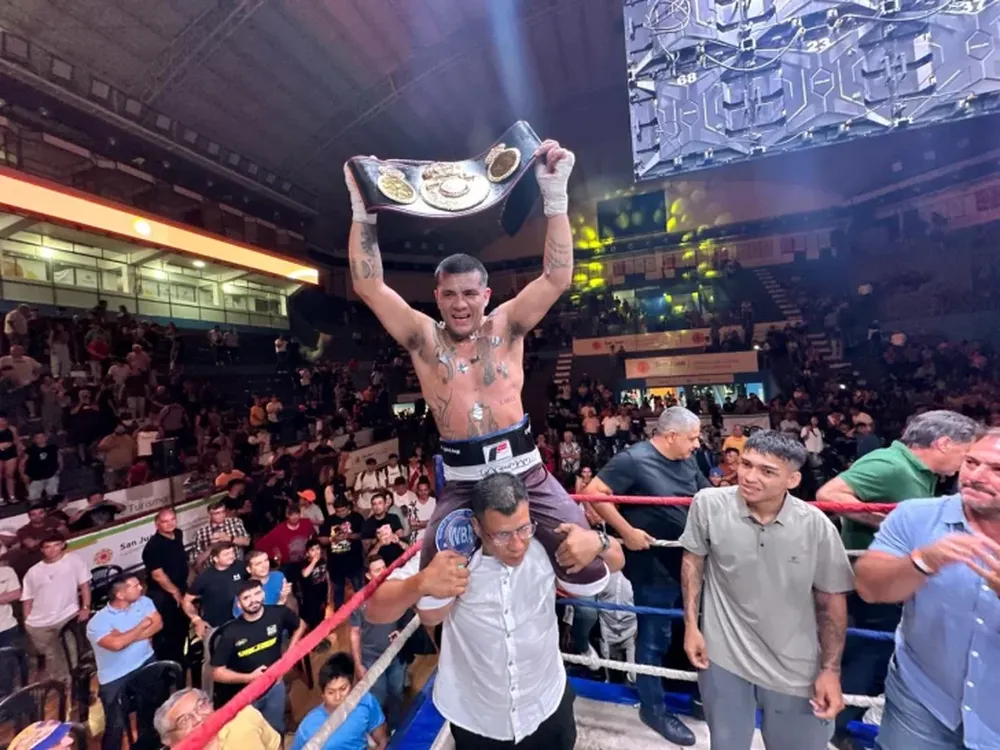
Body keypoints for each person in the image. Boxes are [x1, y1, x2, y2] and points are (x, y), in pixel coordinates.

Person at [345, 140, 608, 595]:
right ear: (437, 296)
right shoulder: (424, 339)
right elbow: (370, 285)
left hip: (525, 469)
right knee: (436, 592)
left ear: (486, 296)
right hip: (463, 482)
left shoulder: (507, 326)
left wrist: (555, 196)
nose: (460, 304)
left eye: (470, 294)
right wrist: (362, 208)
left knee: (585, 574)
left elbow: (557, 278)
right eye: (450, 294)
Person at [417, 473, 623, 749]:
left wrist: (600, 541)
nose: (516, 544)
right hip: (477, 715)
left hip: (546, 702)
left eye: (524, 528)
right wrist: (418, 584)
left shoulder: (544, 545)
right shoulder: (455, 562)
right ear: (477, 527)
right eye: (502, 534)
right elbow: (423, 614)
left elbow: (617, 561)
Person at [679, 431, 855, 750]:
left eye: (767, 471)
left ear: (792, 479)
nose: (749, 476)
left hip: (795, 663)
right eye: (746, 464)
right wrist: (692, 625)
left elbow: (831, 601)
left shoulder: (817, 526)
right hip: (724, 656)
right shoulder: (707, 504)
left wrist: (830, 670)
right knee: (726, 744)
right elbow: (693, 561)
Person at [816, 410, 980, 738]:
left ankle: (846, 723)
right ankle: (835, 727)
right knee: (874, 652)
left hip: (901, 579)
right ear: (945, 443)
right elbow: (830, 496)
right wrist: (897, 524)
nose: (967, 465)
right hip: (876, 579)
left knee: (887, 652)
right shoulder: (891, 463)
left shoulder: (920, 473)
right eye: (968, 455)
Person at [853, 429, 1000, 750]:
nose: (976, 476)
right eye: (971, 462)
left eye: (996, 470)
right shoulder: (917, 516)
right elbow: (868, 587)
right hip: (923, 700)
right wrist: (920, 562)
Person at [584, 406, 710, 745]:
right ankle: (653, 709)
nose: (697, 444)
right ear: (669, 436)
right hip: (653, 565)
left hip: (689, 559)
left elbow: (706, 494)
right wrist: (626, 531)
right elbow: (595, 493)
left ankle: (697, 698)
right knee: (654, 637)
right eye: (692, 437)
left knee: (698, 628)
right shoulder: (633, 459)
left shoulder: (686, 459)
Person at [211, 579, 306, 732]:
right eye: (246, 597)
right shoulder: (230, 633)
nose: (253, 600)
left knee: (276, 732)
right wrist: (249, 678)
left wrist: (289, 655)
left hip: (274, 686)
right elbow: (217, 673)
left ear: (263, 594)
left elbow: (300, 625)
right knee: (252, 736)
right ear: (239, 604)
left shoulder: (278, 613)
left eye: (256, 593)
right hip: (245, 695)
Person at [86, 575, 162, 750]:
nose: (141, 588)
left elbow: (158, 624)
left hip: (146, 662)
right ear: (120, 594)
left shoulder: (144, 602)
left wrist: (125, 637)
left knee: (150, 711)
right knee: (115, 724)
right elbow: (116, 645)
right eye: (135, 586)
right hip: (115, 676)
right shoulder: (97, 622)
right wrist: (141, 626)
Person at [20, 533, 91, 682]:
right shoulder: (33, 572)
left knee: (73, 654)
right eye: (47, 546)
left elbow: (84, 586)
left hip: (68, 617)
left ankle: (79, 689)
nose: (52, 549)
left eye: (56, 545)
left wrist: (86, 606)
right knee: (54, 660)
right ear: (42, 550)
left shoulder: (74, 560)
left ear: (63, 545)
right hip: (39, 624)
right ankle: (65, 691)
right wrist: (27, 621)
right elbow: (27, 599)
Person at [182, 542, 246, 696]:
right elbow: (186, 601)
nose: (231, 556)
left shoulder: (240, 567)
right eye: (226, 554)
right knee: (211, 663)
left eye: (232, 553)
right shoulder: (205, 577)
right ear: (215, 559)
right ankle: (207, 698)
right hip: (215, 626)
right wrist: (196, 619)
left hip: (239, 622)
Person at [350, 557, 407, 728]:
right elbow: (354, 633)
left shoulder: (395, 589)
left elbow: (408, 611)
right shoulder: (359, 600)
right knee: (378, 697)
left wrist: (402, 631)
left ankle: (396, 727)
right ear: (368, 575)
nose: (383, 572)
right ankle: (380, 731)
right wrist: (358, 664)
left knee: (397, 692)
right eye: (377, 570)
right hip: (371, 658)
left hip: (395, 653)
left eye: (384, 567)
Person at [291, 652, 389, 750]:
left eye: (343, 689)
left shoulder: (365, 701)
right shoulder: (307, 727)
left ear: (351, 686)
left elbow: (382, 739)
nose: (338, 697)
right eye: (331, 692)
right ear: (323, 695)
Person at [155, 687, 280, 750]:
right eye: (184, 721)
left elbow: (275, 746)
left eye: (201, 706)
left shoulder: (245, 716)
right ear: (170, 741)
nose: (198, 718)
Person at [141, 508, 189, 666]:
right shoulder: (153, 547)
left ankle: (181, 659)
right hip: (162, 594)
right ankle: (166, 666)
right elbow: (158, 575)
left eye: (172, 519)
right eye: (165, 521)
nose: (170, 524)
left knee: (182, 626)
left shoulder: (179, 534)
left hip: (181, 587)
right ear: (157, 524)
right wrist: (175, 592)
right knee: (166, 632)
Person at [323, 496, 366, 610]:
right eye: (338, 511)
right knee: (338, 592)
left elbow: (364, 534)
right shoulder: (329, 520)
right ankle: (338, 616)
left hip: (354, 561)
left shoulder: (357, 518)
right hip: (336, 563)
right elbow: (321, 539)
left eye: (343, 510)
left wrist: (349, 536)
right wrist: (332, 539)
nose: (341, 513)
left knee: (359, 589)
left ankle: (364, 612)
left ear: (348, 508)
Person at [193, 501, 251, 569]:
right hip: (213, 569)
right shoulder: (201, 532)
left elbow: (247, 542)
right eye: (217, 513)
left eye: (223, 512)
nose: (222, 515)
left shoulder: (235, 522)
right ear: (210, 515)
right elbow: (197, 562)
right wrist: (211, 547)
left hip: (235, 565)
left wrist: (228, 538)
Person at [256, 503, 316, 567]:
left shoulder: (306, 523)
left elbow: (313, 538)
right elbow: (259, 545)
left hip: (306, 561)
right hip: (288, 565)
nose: (295, 517)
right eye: (291, 515)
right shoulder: (279, 530)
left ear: (300, 514)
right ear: (286, 515)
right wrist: (274, 554)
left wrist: (312, 551)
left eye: (296, 514)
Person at [234, 549, 291, 616]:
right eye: (258, 564)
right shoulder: (243, 590)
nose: (264, 566)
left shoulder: (279, 576)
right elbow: (245, 620)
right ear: (249, 569)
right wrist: (281, 601)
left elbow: (290, 600)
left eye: (266, 560)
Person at [298, 537, 329, 632]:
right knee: (312, 621)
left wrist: (329, 593)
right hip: (310, 598)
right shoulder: (303, 563)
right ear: (307, 553)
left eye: (318, 548)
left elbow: (326, 576)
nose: (316, 552)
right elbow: (305, 574)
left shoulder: (323, 561)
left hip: (322, 595)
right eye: (312, 550)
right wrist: (314, 561)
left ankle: (320, 637)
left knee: (321, 617)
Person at [21, 432, 62, 503]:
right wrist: (23, 475)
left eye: (42, 437)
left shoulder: (53, 448)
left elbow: (60, 459)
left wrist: (59, 470)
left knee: (53, 496)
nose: (41, 439)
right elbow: (22, 463)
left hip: (51, 476)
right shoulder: (30, 450)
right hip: (35, 478)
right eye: (38, 438)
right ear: (34, 440)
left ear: (46, 438)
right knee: (34, 498)